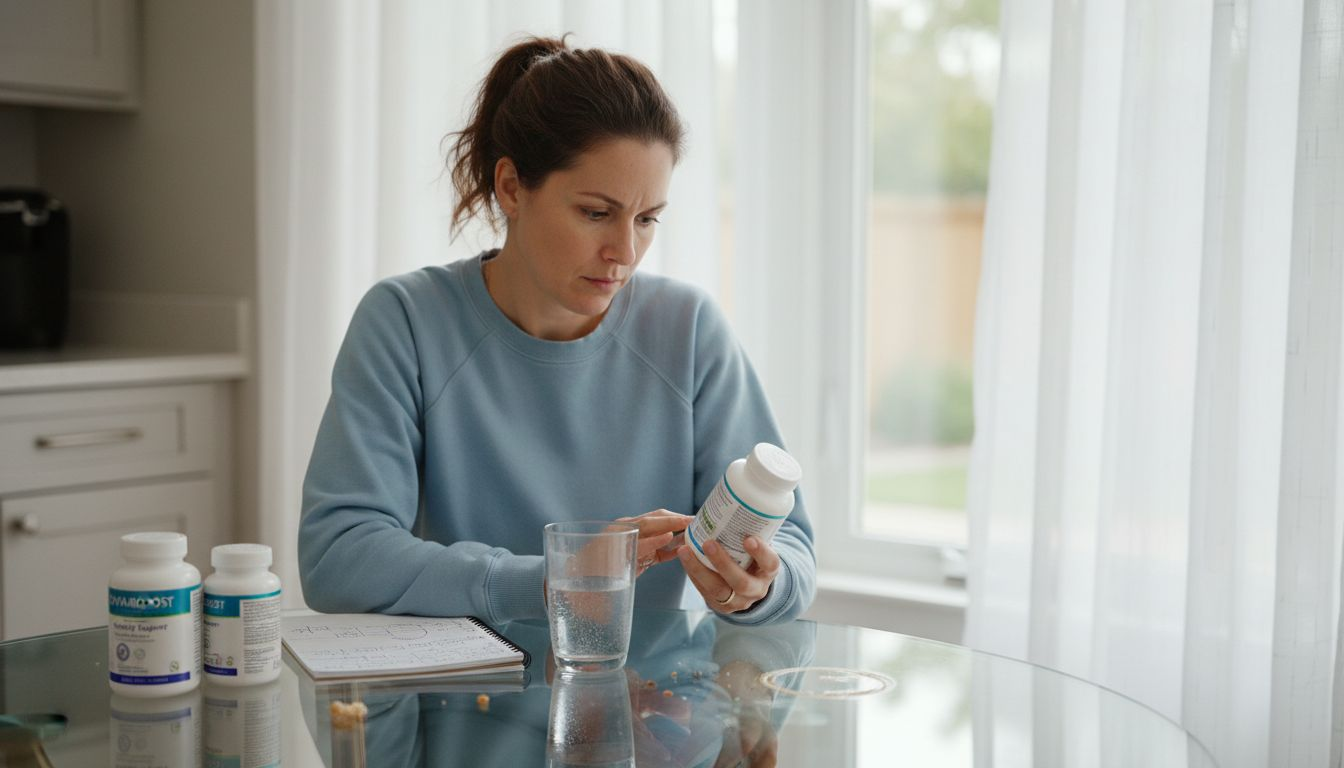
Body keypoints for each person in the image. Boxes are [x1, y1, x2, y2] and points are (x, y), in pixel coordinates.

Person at [298, 35, 815, 628]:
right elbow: (337, 556)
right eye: (596, 212)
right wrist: (557, 578)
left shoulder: (690, 331)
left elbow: (790, 544)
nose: (625, 251)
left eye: (647, 219)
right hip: (461, 705)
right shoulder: (406, 321)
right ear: (513, 187)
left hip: (648, 709)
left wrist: (757, 586)